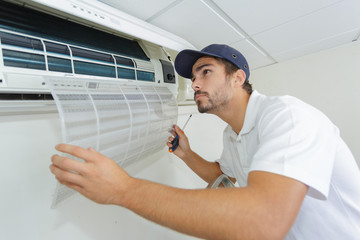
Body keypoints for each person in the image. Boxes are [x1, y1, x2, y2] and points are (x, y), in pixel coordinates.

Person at [50, 44, 360, 239]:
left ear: (237, 78)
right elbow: (225, 175)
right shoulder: (232, 134)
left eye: (205, 72)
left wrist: (124, 189)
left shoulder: (287, 116)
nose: (195, 83)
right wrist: (186, 154)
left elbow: (263, 222)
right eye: (193, 77)